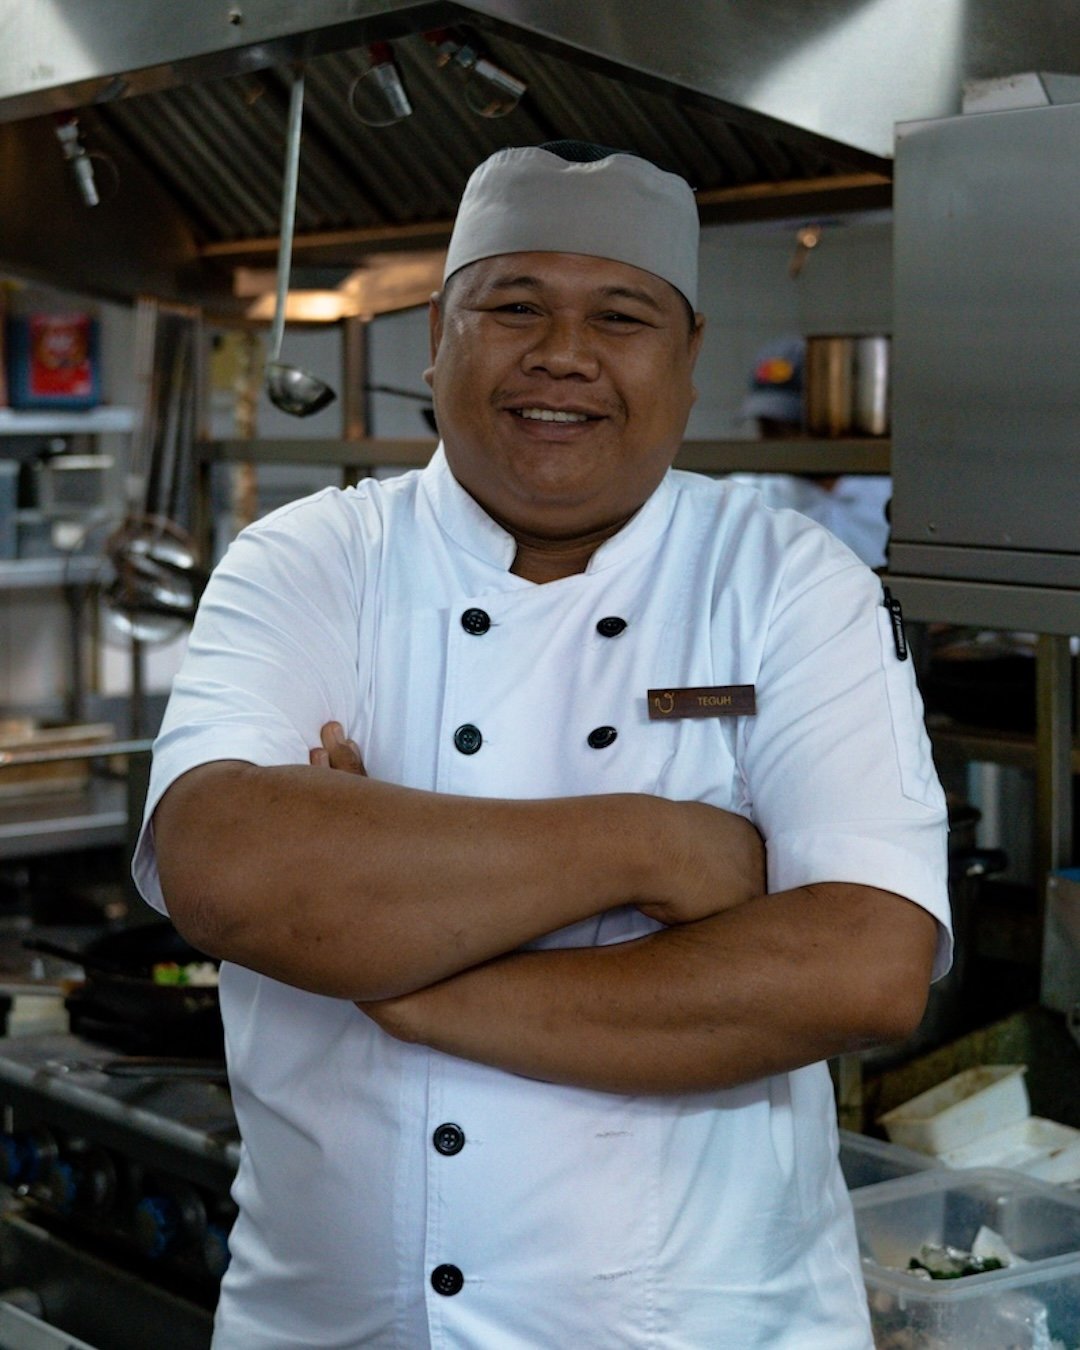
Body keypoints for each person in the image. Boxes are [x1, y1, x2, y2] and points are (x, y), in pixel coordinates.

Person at [134, 141, 950, 1349]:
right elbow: (225, 869)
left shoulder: (788, 581)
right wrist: (652, 844)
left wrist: (399, 976)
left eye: (620, 316)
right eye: (514, 307)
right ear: (437, 336)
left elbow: (861, 968)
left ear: (687, 359)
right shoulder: (309, 559)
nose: (563, 354)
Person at [736, 334, 894, 569]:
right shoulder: (741, 500)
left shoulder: (888, 495)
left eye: (793, 426)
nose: (779, 440)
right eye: (768, 426)